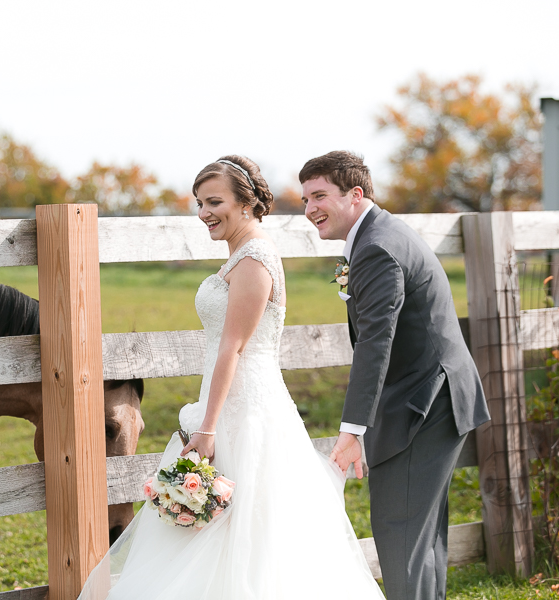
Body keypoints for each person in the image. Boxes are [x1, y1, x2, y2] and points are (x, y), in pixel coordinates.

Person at [77, 156, 384, 600]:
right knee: (208, 529)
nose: (204, 212)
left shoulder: (255, 258)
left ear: (247, 203)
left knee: (250, 529)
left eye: (215, 201)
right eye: (200, 203)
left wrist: (207, 428)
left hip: (247, 410)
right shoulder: (239, 255)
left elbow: (233, 347)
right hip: (224, 401)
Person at [301, 151, 491, 600]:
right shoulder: (378, 234)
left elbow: (375, 343)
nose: (310, 209)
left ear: (355, 194)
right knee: (417, 537)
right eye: (306, 198)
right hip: (432, 396)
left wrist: (352, 430)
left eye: (320, 196)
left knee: (400, 532)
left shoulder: (376, 249)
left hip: (425, 403)